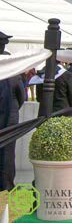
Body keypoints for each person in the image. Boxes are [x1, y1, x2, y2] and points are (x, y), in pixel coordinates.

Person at [0, 31, 26, 191]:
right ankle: (7, 187)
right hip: (10, 118)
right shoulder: (13, 68)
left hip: (9, 117)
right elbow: (21, 95)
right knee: (8, 155)